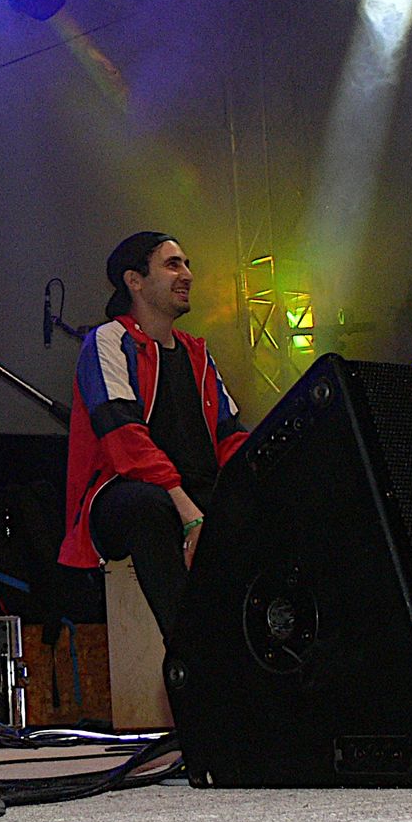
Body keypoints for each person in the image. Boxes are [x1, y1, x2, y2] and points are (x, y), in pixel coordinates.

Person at [57, 232, 250, 640]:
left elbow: (231, 437)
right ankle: (189, 648)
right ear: (135, 281)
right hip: (126, 493)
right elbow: (124, 439)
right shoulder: (109, 340)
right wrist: (190, 513)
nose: (187, 275)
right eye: (173, 264)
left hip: (193, 491)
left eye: (187, 265)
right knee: (148, 505)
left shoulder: (197, 354)